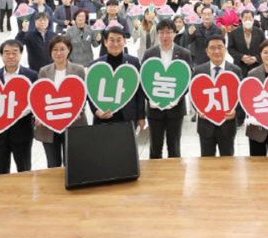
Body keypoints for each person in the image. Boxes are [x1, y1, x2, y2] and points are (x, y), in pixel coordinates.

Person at [141, 20, 193, 159]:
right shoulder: (149, 53)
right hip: (154, 108)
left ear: (174, 34)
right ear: (157, 34)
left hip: (175, 109)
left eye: (169, 32)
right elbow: (144, 79)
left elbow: (188, 79)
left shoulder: (184, 53)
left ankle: (175, 179)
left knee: (174, 148)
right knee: (155, 148)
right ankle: (155, 178)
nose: (165, 35)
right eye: (161, 32)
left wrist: (178, 98)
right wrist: (149, 99)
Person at [35, 35, 88, 168]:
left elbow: (82, 95)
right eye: (55, 49)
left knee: (72, 163)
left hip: (74, 122)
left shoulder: (78, 70)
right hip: (49, 124)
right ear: (50, 52)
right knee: (53, 164)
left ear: (69, 50)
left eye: (62, 49)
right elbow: (40, 96)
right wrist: (39, 115)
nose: (58, 53)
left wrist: (78, 110)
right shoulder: (44, 71)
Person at [0, 40, 38, 175]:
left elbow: (38, 101)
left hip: (22, 131)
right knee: (1, 171)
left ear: (21, 53)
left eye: (15, 52)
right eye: (6, 53)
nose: (10, 56)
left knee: (24, 169)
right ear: (1, 55)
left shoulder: (32, 76)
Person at [87, 27, 146, 129]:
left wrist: (141, 117)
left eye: (119, 40)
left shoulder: (134, 62)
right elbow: (90, 91)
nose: (115, 44)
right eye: (111, 40)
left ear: (124, 41)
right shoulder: (95, 65)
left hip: (128, 116)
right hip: (103, 116)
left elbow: (140, 91)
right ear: (105, 42)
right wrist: (96, 111)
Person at [193, 34, 242, 156]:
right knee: (206, 162)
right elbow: (194, 95)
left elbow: (241, 96)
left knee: (228, 161)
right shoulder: (199, 71)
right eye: (212, 48)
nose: (216, 51)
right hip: (206, 126)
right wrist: (198, 110)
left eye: (220, 47)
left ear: (225, 49)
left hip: (227, 125)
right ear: (207, 51)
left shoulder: (235, 70)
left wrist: (235, 112)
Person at [227, 10, 265, 81]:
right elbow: (230, 48)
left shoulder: (260, 33)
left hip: (256, 66)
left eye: (250, 18)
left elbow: (264, 49)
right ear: (241, 18)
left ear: (253, 19)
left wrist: (256, 58)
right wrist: (242, 57)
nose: (248, 20)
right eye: (245, 18)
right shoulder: (234, 33)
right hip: (240, 66)